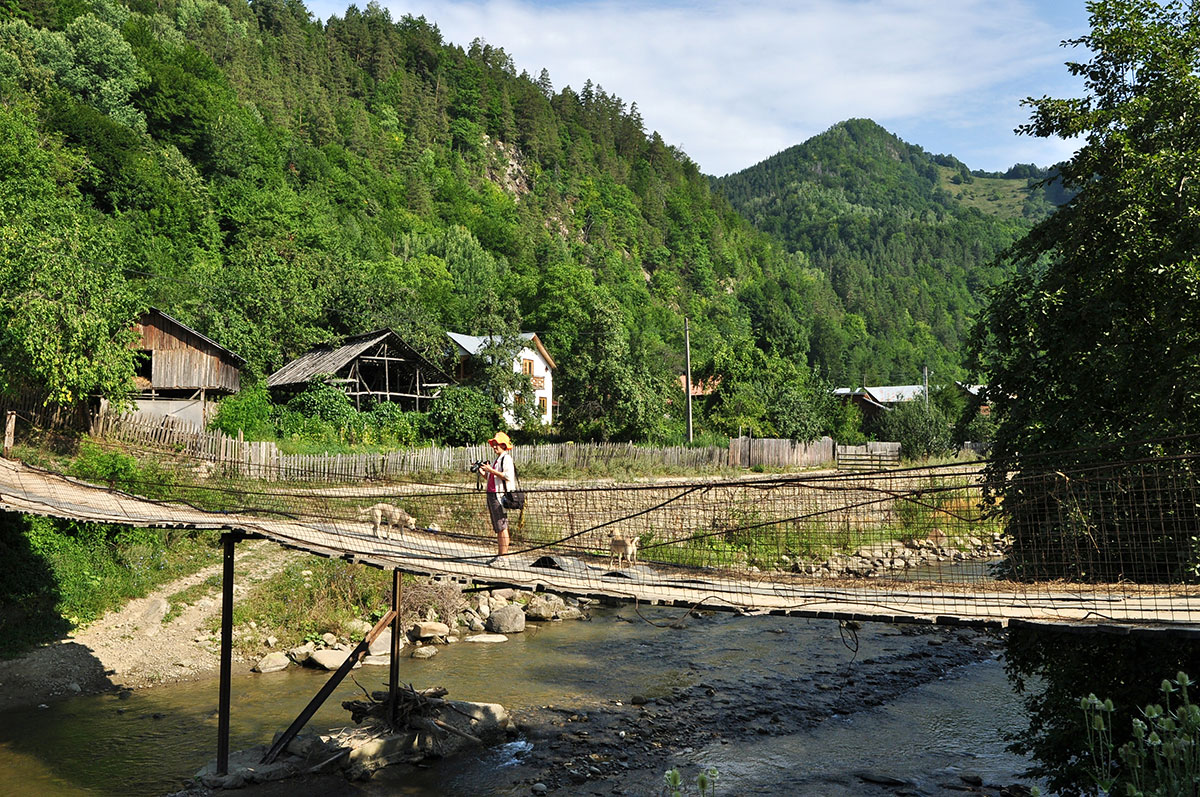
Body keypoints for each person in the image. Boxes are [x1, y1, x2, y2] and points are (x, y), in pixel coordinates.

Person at [479, 431, 516, 557]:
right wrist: (484, 472)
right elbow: (491, 478)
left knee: (502, 526)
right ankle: (500, 555)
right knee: (499, 526)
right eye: (493, 444)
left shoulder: (506, 459)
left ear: (504, 445)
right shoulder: (497, 460)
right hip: (492, 494)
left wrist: (491, 470)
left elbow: (507, 476)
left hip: (500, 496)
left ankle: (503, 556)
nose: (494, 447)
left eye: (497, 444)